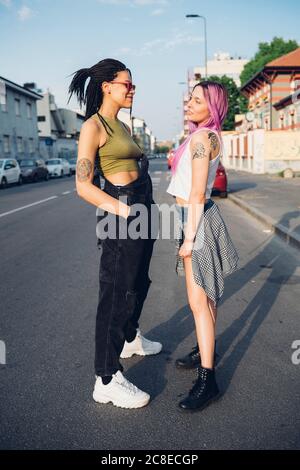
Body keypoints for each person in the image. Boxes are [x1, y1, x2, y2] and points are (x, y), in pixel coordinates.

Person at [67, 58, 161, 409]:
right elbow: (82, 185)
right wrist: (125, 211)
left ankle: (132, 336)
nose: (132, 89)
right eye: (127, 83)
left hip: (143, 204)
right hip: (123, 211)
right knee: (116, 293)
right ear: (107, 85)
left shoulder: (121, 123)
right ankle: (105, 377)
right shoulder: (94, 126)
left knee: (141, 282)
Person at [166, 81, 239, 412]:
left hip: (194, 219)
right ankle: (205, 347)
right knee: (206, 298)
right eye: (189, 98)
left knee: (198, 302)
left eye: (197, 100)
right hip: (199, 216)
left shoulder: (200, 138)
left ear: (213, 107)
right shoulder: (210, 136)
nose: (188, 103)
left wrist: (189, 239)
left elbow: (196, 193)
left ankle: (207, 380)